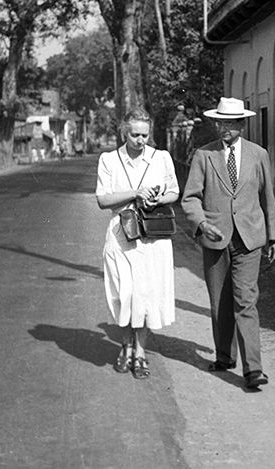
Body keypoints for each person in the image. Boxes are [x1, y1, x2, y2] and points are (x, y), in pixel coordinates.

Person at [181, 97, 275, 389]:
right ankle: (224, 356)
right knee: (219, 303)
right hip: (215, 237)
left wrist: (273, 236)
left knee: (246, 300)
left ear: (242, 124)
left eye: (232, 123)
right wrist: (201, 223)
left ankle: (254, 370)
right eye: (221, 123)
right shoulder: (204, 155)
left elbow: (268, 199)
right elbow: (190, 198)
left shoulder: (258, 154)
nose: (226, 129)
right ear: (216, 123)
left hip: (249, 238)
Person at [95, 107, 179, 379]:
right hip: (121, 235)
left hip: (152, 238)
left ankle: (140, 352)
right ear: (123, 131)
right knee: (124, 294)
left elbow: (174, 192)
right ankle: (125, 345)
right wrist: (135, 193)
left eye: (144, 135)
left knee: (145, 296)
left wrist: (156, 199)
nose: (140, 141)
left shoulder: (161, 157)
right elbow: (102, 200)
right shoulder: (109, 160)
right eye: (134, 135)